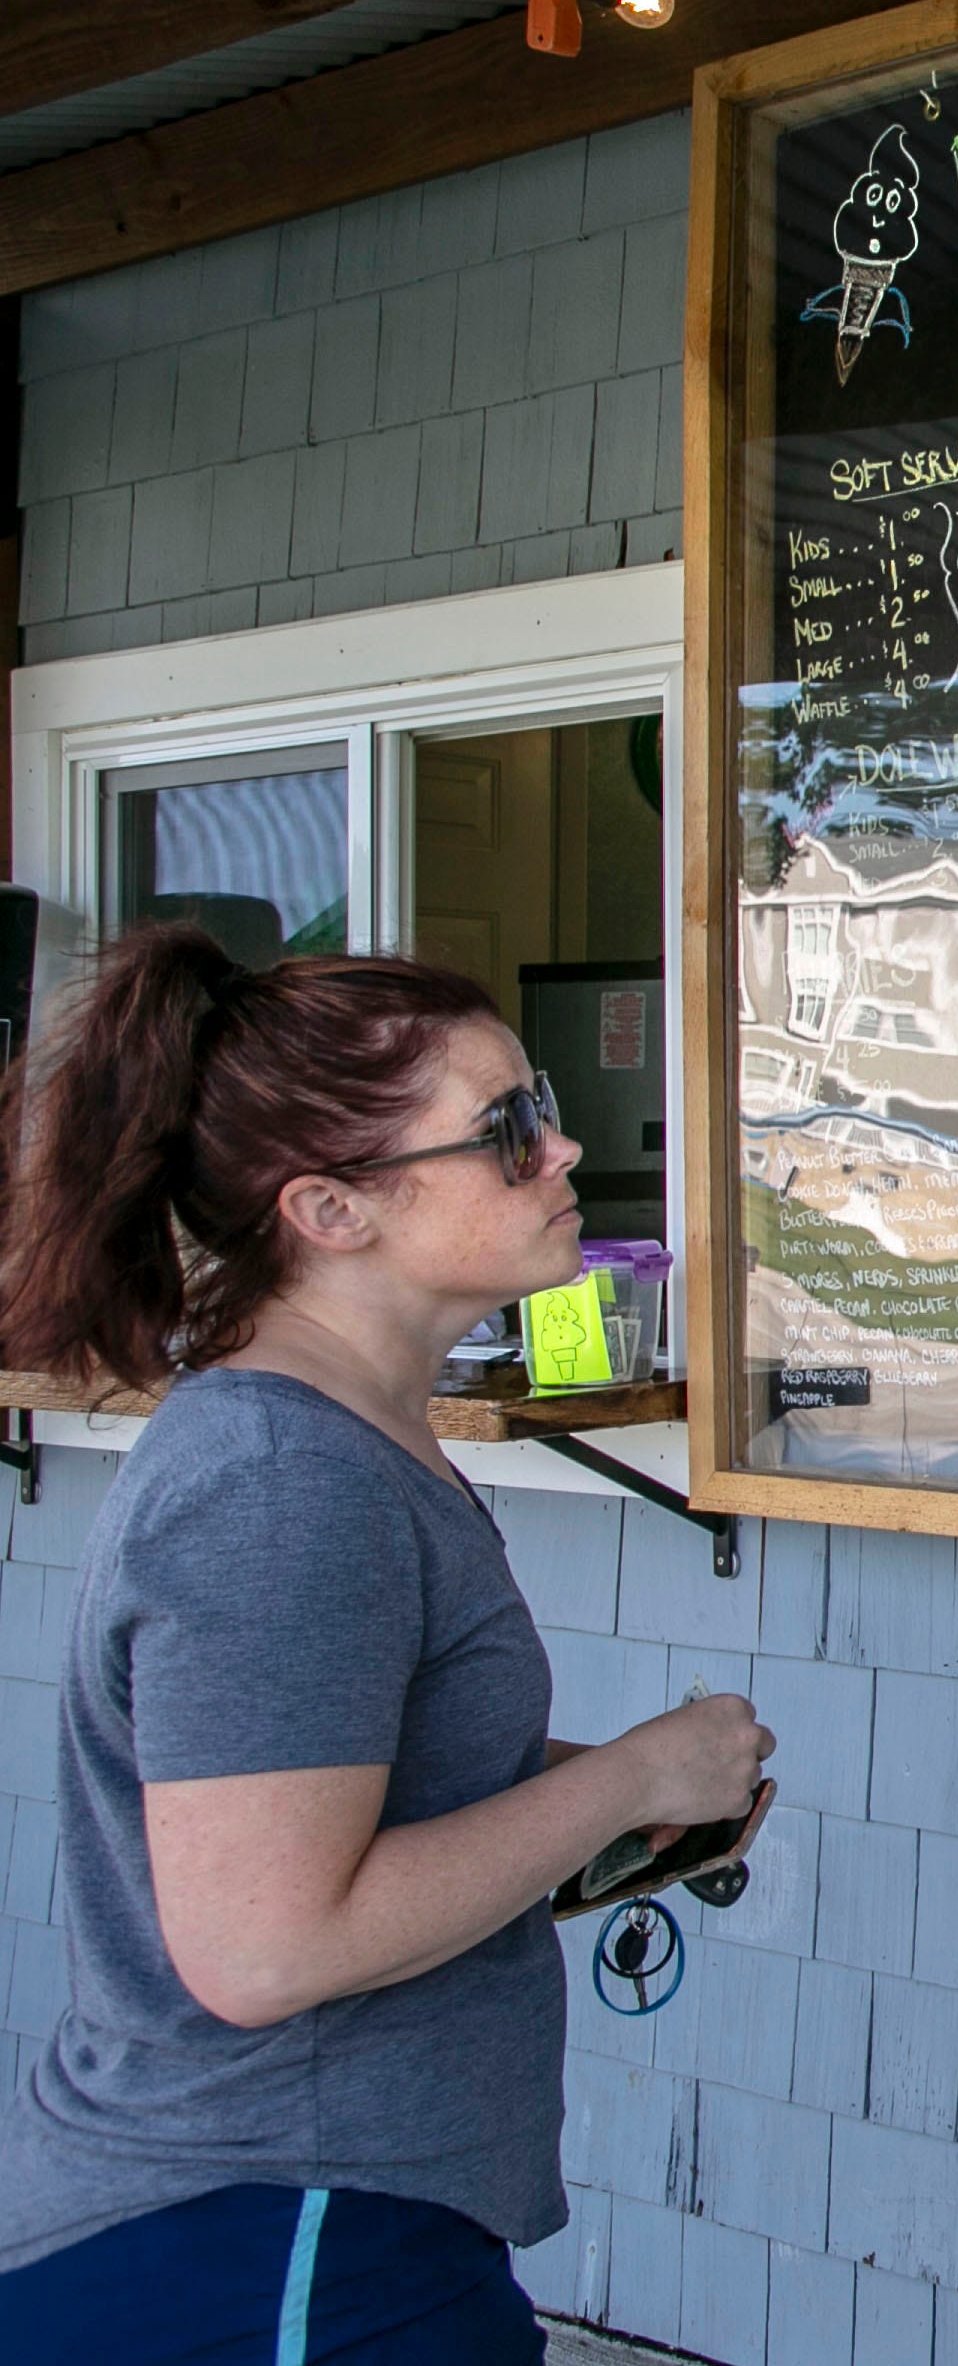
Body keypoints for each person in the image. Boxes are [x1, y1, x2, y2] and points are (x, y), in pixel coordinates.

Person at [0, 929, 773, 2363]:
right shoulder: (281, 1483)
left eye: (537, 1106)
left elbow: (349, 1790)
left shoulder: (341, 1443)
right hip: (265, 2242)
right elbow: (266, 1946)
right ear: (331, 1211)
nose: (562, 1150)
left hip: (337, 2222)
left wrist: (621, 1795)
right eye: (504, 1133)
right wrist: (622, 1783)